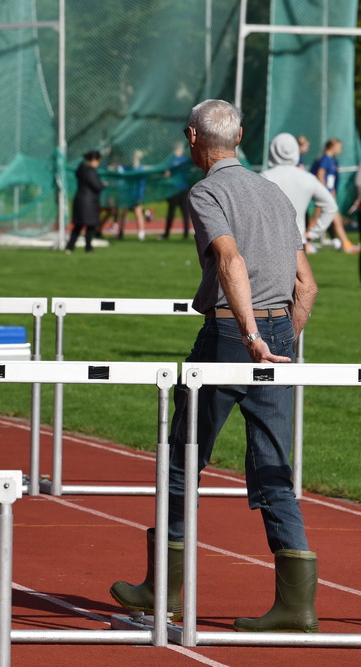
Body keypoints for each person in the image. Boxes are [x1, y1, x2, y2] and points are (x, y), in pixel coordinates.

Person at [110, 100, 320, 632]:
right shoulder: (274, 193)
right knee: (274, 471)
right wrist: (279, 343)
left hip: (233, 335)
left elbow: (230, 260)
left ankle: (163, 590)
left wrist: (249, 336)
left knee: (181, 460)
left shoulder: (206, 192)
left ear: (192, 138)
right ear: (241, 136)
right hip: (276, 334)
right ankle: (297, 607)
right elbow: (306, 285)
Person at [261, 133, 337, 254]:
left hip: (270, 241)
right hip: (299, 242)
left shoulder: (264, 177)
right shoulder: (307, 178)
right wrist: (313, 233)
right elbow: (331, 206)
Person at [307, 138, 358, 253]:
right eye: (339, 147)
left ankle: (346, 244)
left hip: (328, 194)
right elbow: (320, 174)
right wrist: (325, 192)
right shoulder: (325, 159)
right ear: (332, 147)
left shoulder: (331, 160)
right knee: (315, 219)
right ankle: (306, 244)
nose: (340, 150)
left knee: (336, 219)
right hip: (324, 195)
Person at [66, 151, 105, 253]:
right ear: (93, 160)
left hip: (80, 199)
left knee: (78, 226)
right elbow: (96, 186)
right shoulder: (90, 171)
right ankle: (88, 247)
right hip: (89, 202)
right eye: (98, 160)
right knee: (90, 225)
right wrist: (103, 185)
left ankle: (70, 247)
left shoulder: (80, 169)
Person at [160, 142, 193, 240]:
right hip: (173, 190)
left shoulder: (185, 160)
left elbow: (190, 172)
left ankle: (186, 234)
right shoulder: (171, 160)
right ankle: (166, 234)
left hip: (183, 189)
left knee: (185, 213)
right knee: (171, 212)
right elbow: (166, 173)